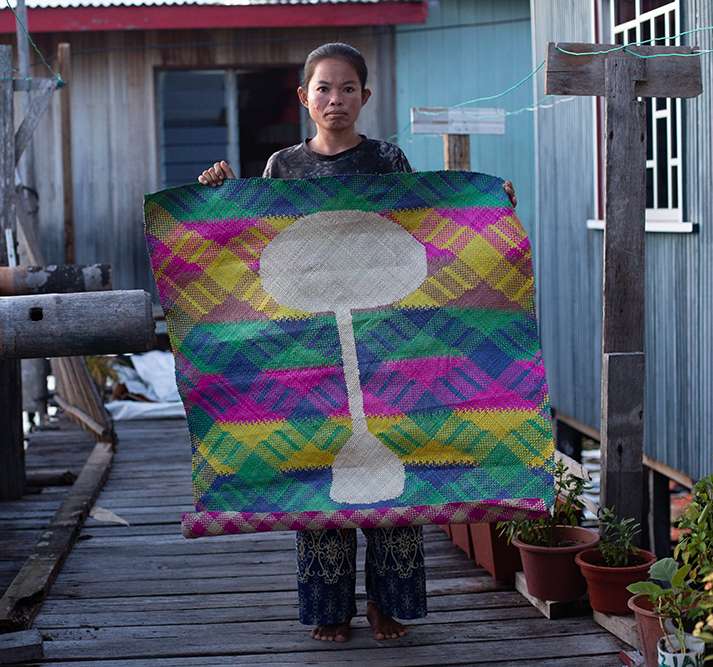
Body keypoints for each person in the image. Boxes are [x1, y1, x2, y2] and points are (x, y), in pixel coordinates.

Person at [198, 43, 516, 644]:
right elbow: (255, 239)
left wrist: (485, 206)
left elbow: (425, 221)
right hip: (308, 337)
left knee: (391, 460)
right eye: (323, 88)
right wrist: (216, 193)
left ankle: (387, 605)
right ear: (304, 97)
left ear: (364, 98)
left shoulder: (386, 160)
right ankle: (330, 610)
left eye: (347, 89)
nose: (335, 99)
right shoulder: (281, 168)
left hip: (383, 331)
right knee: (322, 464)